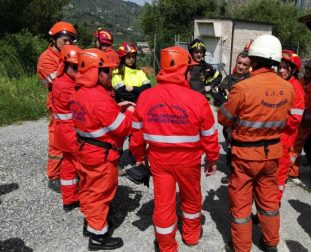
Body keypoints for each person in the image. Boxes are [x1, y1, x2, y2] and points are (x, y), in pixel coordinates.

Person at [129, 46, 220, 252]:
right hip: (189, 161)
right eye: (189, 70)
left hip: (159, 161)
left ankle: (166, 246)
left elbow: (136, 134)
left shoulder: (145, 97)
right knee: (191, 198)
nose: (191, 73)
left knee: (163, 204)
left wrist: (138, 157)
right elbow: (209, 135)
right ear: (183, 71)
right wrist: (213, 159)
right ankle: (191, 236)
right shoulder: (197, 99)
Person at [218, 34, 294, 252]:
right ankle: (270, 244)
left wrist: (225, 103)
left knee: (241, 205)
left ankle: (242, 247)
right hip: (272, 156)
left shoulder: (243, 87)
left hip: (245, 157)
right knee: (269, 203)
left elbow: (223, 118)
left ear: (254, 59)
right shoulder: (288, 88)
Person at [69, 48, 134, 250]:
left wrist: (117, 108)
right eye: (106, 70)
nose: (110, 74)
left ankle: (91, 225)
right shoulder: (99, 97)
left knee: (88, 190)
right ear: (94, 72)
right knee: (101, 194)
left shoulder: (80, 93)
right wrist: (130, 112)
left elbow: (98, 120)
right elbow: (121, 127)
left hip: (85, 151)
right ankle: (98, 237)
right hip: (100, 156)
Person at [37, 21, 77, 193]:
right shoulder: (46, 59)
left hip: (74, 101)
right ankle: (53, 176)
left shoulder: (70, 54)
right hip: (58, 103)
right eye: (64, 40)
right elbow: (58, 81)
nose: (67, 44)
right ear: (54, 39)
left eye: (70, 41)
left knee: (74, 138)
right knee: (57, 139)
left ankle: (72, 171)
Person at [50, 45, 81, 211]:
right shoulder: (68, 86)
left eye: (80, 67)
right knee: (82, 165)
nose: (78, 71)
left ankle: (69, 199)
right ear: (64, 65)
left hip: (62, 131)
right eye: (74, 67)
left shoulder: (59, 82)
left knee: (68, 165)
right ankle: (86, 200)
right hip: (72, 132)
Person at [217, 51, 251, 184]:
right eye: (239, 63)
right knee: (230, 146)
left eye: (245, 64)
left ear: (249, 67)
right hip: (230, 121)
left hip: (244, 121)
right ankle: (231, 172)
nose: (241, 66)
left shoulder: (251, 80)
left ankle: (240, 174)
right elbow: (222, 90)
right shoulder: (229, 78)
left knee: (242, 149)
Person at [277, 50, 305, 200]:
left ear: (293, 70)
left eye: (285, 67)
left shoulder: (297, 90)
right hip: (274, 138)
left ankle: (271, 211)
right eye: (279, 67)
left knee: (278, 179)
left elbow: (295, 120)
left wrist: (273, 119)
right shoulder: (280, 83)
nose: (281, 70)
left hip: (284, 140)